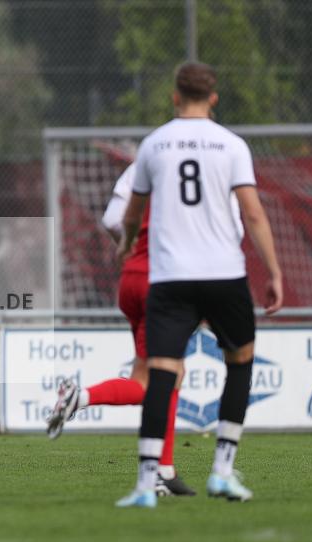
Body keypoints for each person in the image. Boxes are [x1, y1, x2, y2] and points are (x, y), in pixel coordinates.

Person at [114, 63, 282, 508]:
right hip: (224, 273)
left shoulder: (154, 144)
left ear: (174, 97)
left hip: (171, 277)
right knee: (240, 362)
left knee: (161, 373)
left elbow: (132, 213)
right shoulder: (231, 145)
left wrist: (127, 245)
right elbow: (253, 214)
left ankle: (146, 485)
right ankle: (222, 472)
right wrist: (274, 272)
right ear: (213, 98)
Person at [46, 160, 195, 497]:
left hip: (131, 279)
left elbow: (112, 218)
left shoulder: (147, 162)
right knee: (154, 381)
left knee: (169, 374)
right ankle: (81, 397)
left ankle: (166, 470)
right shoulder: (204, 165)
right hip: (163, 282)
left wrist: (130, 245)